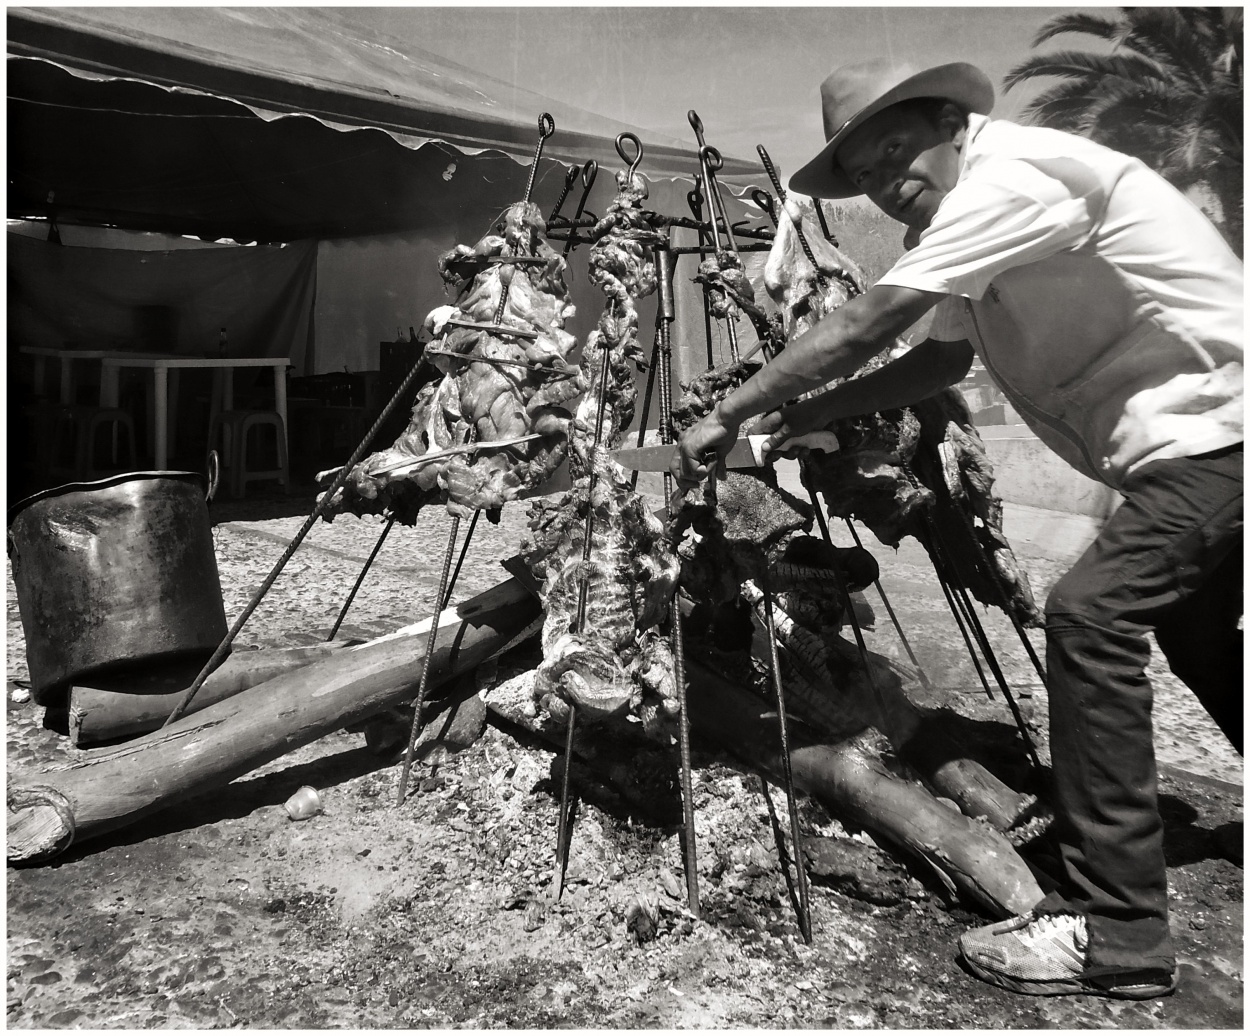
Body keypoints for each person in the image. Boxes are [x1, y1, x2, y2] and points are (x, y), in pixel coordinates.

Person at [674, 60, 1243, 1000]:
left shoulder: (1012, 179)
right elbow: (936, 360)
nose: (887, 180)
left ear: (949, 121)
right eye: (863, 171)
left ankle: (1121, 939)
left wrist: (734, 410)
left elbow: (871, 319)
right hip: (1191, 446)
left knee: (1090, 620)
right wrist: (803, 416)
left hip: (1221, 433)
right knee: (1191, 628)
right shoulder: (969, 228)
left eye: (896, 149)